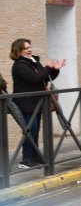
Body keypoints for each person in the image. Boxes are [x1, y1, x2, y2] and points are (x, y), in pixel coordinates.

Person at [10, 38, 66, 168]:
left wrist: (55, 70)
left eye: (30, 47)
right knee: (30, 129)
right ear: (18, 51)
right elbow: (35, 79)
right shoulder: (19, 65)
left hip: (36, 102)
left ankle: (35, 156)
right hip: (25, 102)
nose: (30, 50)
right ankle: (25, 159)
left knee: (35, 129)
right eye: (26, 48)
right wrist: (47, 67)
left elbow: (45, 77)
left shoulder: (34, 62)